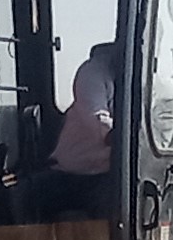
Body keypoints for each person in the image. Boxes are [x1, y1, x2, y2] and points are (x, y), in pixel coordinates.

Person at [28, 42, 120, 221]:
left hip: (119, 175)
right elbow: (98, 122)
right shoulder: (93, 72)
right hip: (72, 178)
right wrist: (129, 140)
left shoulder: (159, 89)